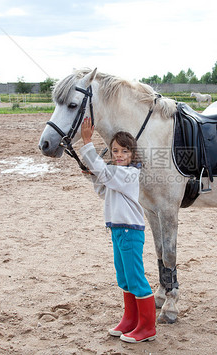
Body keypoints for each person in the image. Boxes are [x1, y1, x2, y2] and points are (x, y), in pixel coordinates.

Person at [79, 117, 156, 343]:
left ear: (132, 155)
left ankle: (148, 328)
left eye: (124, 151)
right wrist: (92, 177)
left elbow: (105, 174)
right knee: (124, 278)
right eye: (115, 151)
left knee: (136, 278)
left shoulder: (129, 173)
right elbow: (104, 190)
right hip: (117, 230)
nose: (119, 155)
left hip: (130, 232)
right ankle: (131, 320)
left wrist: (86, 142)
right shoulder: (116, 173)